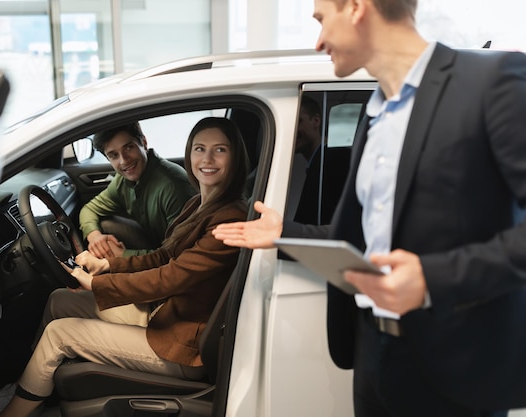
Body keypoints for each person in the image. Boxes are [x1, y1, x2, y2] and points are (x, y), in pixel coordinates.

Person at [214, 0, 526, 416]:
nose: (319, 40)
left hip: (458, 369)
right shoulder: (375, 111)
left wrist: (432, 279)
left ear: (358, 8)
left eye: (322, 20)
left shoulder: (491, 82)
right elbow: (363, 237)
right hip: (373, 357)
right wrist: (283, 234)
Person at [0, 117, 249, 417]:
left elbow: (170, 278)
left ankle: (13, 411)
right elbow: (163, 257)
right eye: (199, 148)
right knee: (59, 300)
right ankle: (29, 386)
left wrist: (98, 284)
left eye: (219, 150)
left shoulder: (228, 218)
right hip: (165, 314)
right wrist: (107, 265)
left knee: (59, 334)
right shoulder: (201, 205)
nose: (206, 159)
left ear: (236, 157)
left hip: (180, 345)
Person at [79, 122, 196, 258]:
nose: (124, 161)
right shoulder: (122, 181)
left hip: (177, 259)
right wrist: (94, 236)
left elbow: (181, 254)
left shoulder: (173, 186)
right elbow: (89, 209)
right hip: (158, 246)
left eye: (129, 147)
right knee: (105, 225)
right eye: (114, 155)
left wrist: (122, 256)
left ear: (144, 143)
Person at [292, 95, 351, 225]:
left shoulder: (336, 160)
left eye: (299, 121)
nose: (293, 129)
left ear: (316, 121)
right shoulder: (320, 161)